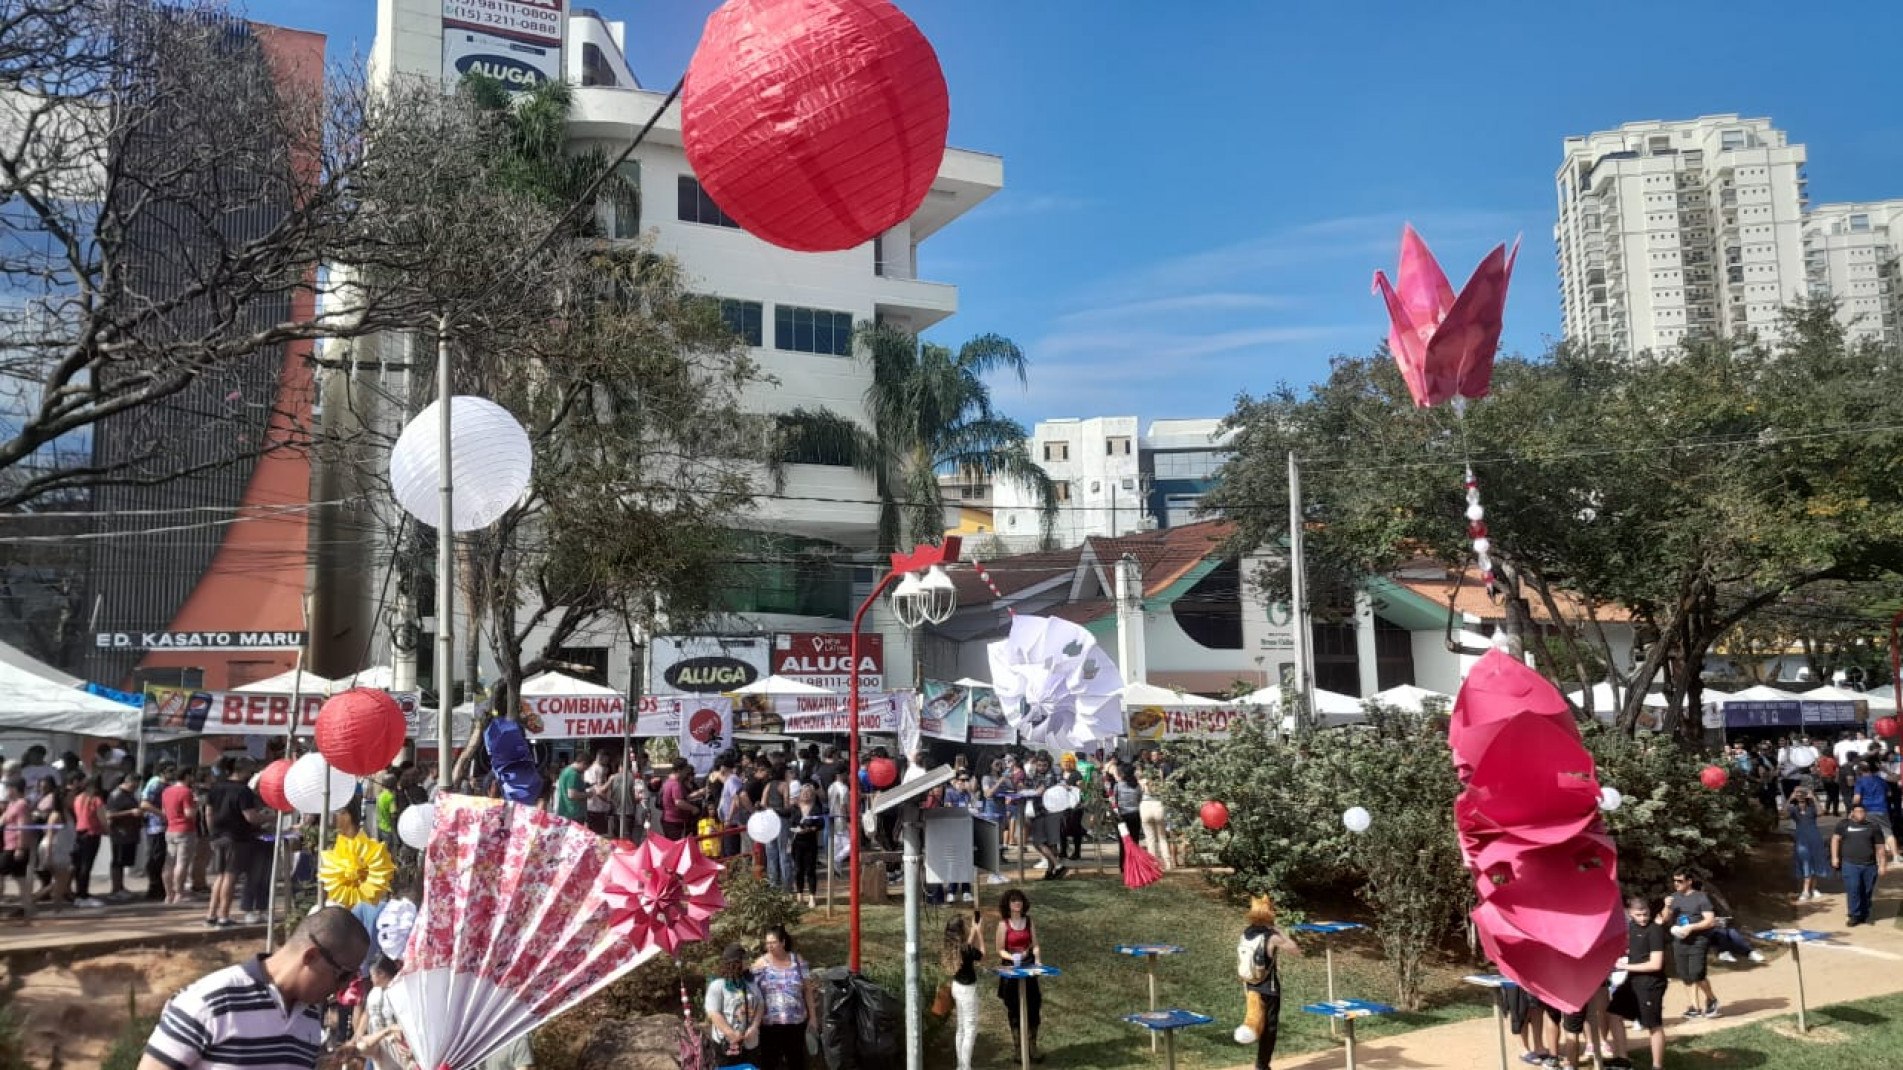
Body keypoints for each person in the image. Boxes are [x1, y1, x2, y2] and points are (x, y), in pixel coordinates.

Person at [138, 905, 371, 1070]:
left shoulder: (309, 1020)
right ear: (311, 957)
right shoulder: (210, 1001)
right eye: (343, 975)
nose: (344, 988)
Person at [1236, 895, 1302, 1070]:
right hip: (1269, 988)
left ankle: (1248, 1033)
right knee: (1269, 1028)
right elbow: (1295, 950)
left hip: (1250, 985)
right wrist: (1280, 931)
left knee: (1255, 1018)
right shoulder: (1272, 937)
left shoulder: (1246, 933)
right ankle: (1262, 1065)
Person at [1608, 894, 1669, 1070]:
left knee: (1653, 1025)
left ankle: (1657, 1066)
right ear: (1629, 913)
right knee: (1613, 1014)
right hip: (1633, 981)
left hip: (1651, 983)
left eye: (1645, 914)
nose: (1643, 919)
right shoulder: (1631, 927)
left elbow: (1656, 964)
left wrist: (1626, 967)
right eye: (1638, 915)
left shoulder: (1655, 930)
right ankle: (1622, 1059)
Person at [204, 757, 265, 928]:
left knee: (220, 876)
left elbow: (208, 812)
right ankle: (224, 916)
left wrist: (212, 833)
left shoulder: (215, 787)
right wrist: (271, 817)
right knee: (230, 877)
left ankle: (211, 914)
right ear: (244, 770)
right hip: (237, 837)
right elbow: (250, 817)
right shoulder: (243, 791)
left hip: (218, 836)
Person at [752, 925, 817, 1070]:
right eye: (767, 943)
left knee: (796, 1062)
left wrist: (813, 1017)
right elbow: (752, 992)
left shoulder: (797, 960)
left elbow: (807, 990)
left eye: (773, 942)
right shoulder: (760, 963)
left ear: (783, 942)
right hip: (770, 1024)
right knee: (769, 1063)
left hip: (796, 1023)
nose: (769, 946)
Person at [994, 889, 1044, 1062]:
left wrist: (1037, 960)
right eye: (1014, 901)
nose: (1018, 903)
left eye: (1020, 900)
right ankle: (1018, 1049)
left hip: (1029, 968)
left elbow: (1035, 945)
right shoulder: (1003, 925)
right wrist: (1013, 957)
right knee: (1014, 1010)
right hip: (1011, 971)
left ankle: (1032, 1046)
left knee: (1034, 1006)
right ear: (1008, 904)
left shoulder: (1029, 922)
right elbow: (999, 950)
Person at [1663, 871, 1720, 1019]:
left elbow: (1710, 921)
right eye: (1674, 881)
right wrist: (1667, 907)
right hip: (1679, 941)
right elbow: (1664, 918)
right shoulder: (1673, 898)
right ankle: (1694, 1007)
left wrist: (1692, 927)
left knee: (1697, 973)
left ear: (1689, 881)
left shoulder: (1701, 897)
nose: (1676, 884)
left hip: (1698, 941)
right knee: (1685, 975)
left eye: (1680, 881)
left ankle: (1712, 999)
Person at [350, 955, 416, 1070]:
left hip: (399, 1045)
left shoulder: (401, 991)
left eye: (372, 975)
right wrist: (358, 1034)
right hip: (379, 1044)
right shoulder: (374, 993)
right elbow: (367, 1012)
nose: (370, 979)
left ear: (381, 973)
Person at [1831, 802, 1892, 926]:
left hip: (1869, 865)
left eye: (1863, 811)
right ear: (1852, 813)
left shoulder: (1873, 827)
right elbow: (1835, 840)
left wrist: (1883, 864)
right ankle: (1854, 915)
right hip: (1850, 864)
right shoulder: (1844, 825)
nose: (1860, 814)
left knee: (1867, 890)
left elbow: (1880, 847)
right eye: (1858, 811)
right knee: (1853, 889)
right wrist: (1835, 857)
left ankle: (1864, 914)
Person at [705, 943, 763, 1068]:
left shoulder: (750, 982)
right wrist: (731, 1034)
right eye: (745, 958)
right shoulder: (718, 985)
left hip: (750, 1042)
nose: (748, 961)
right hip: (727, 1044)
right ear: (735, 962)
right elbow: (713, 1013)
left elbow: (760, 1005)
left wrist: (754, 1027)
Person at [942, 911, 985, 1070]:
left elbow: (967, 946)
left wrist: (973, 930)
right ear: (961, 931)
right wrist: (979, 934)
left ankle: (961, 1065)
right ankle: (966, 1067)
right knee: (970, 1028)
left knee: (961, 1027)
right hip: (968, 991)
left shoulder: (952, 947)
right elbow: (982, 955)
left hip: (956, 987)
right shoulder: (966, 950)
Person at [160, 765, 197, 905]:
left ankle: (168, 894)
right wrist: (196, 806)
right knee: (181, 863)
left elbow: (164, 812)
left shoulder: (166, 791)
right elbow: (189, 814)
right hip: (185, 829)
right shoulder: (186, 792)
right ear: (187, 776)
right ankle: (179, 893)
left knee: (169, 863)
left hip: (170, 829)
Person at [1788, 785, 1831, 902]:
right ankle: (1806, 890)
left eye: (1802, 793)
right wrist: (1790, 798)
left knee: (1815, 860)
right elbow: (1783, 813)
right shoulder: (1794, 808)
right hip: (1801, 837)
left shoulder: (1811, 807)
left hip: (1814, 836)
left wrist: (1813, 798)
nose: (1800, 795)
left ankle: (1812, 888)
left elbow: (1821, 812)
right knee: (1805, 860)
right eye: (1797, 793)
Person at [106, 773, 144, 899]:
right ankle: (115, 889)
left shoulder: (129, 794)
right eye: (134, 785)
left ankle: (121, 887)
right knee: (117, 861)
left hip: (130, 833)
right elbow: (110, 815)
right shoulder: (117, 795)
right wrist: (131, 812)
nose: (136, 788)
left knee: (123, 862)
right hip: (120, 833)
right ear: (128, 782)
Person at [2, 778, 35, 924]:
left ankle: (27, 912)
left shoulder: (21, 805)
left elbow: (23, 827)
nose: (7, 791)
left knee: (20, 880)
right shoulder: (12, 805)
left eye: (9, 788)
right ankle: (27, 912)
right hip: (8, 846)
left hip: (15, 847)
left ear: (15, 789)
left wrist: (20, 848)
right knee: (21, 881)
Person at [140, 762, 174, 901]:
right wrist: (162, 814)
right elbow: (145, 804)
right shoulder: (155, 784)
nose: (173, 773)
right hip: (156, 826)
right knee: (155, 857)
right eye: (170, 770)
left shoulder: (168, 785)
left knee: (161, 858)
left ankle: (159, 887)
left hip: (165, 826)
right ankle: (154, 887)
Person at [70, 775, 106, 907]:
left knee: (80, 865)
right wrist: (107, 830)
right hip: (92, 833)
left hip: (80, 832)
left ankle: (80, 893)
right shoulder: (96, 800)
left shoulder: (77, 799)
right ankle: (83, 895)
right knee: (87, 865)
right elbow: (102, 818)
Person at [788, 784, 824, 908]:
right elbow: (791, 823)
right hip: (797, 842)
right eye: (803, 792)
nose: (806, 794)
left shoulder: (816, 808)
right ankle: (799, 895)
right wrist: (796, 828)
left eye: (808, 793)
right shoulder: (794, 807)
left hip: (810, 842)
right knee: (798, 870)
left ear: (812, 794)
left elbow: (821, 824)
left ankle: (812, 897)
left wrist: (811, 829)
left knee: (810, 870)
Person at [1137, 765, 1172, 871]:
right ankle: (1168, 863)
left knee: (1150, 839)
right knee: (1162, 838)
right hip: (1158, 807)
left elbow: (1138, 780)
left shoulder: (1143, 782)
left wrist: (1140, 773)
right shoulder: (1160, 784)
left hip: (1145, 808)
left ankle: (1153, 864)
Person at [660, 761, 700, 841]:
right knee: (677, 847)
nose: (686, 773)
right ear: (679, 770)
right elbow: (679, 802)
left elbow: (681, 798)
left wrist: (697, 794)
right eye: (685, 770)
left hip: (668, 820)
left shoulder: (668, 781)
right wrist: (693, 808)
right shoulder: (676, 784)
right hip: (674, 822)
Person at [554, 753, 589, 825]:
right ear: (583, 763)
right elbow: (572, 794)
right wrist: (588, 794)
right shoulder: (573, 774)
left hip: (564, 811)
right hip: (574, 813)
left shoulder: (565, 770)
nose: (586, 770)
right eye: (586, 767)